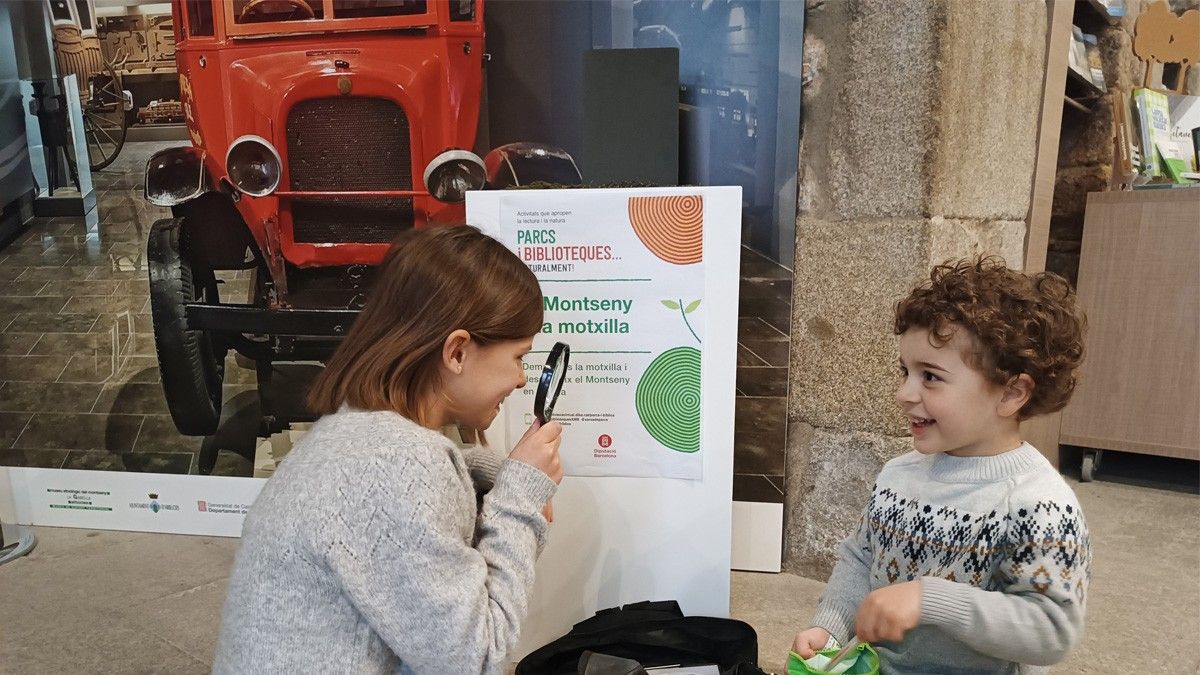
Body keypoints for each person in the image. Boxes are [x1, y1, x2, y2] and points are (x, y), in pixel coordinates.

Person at [213, 225, 563, 674]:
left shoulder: (362, 434)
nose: (520, 380)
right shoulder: (403, 465)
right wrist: (519, 501)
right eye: (518, 357)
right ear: (457, 351)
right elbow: (479, 659)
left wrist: (499, 471)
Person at [791, 256, 1091, 674]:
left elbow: (1051, 629)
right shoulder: (898, 476)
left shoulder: (1040, 505)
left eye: (930, 376)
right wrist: (830, 627)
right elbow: (860, 559)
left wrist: (930, 600)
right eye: (905, 372)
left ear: (1011, 393)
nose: (904, 393)